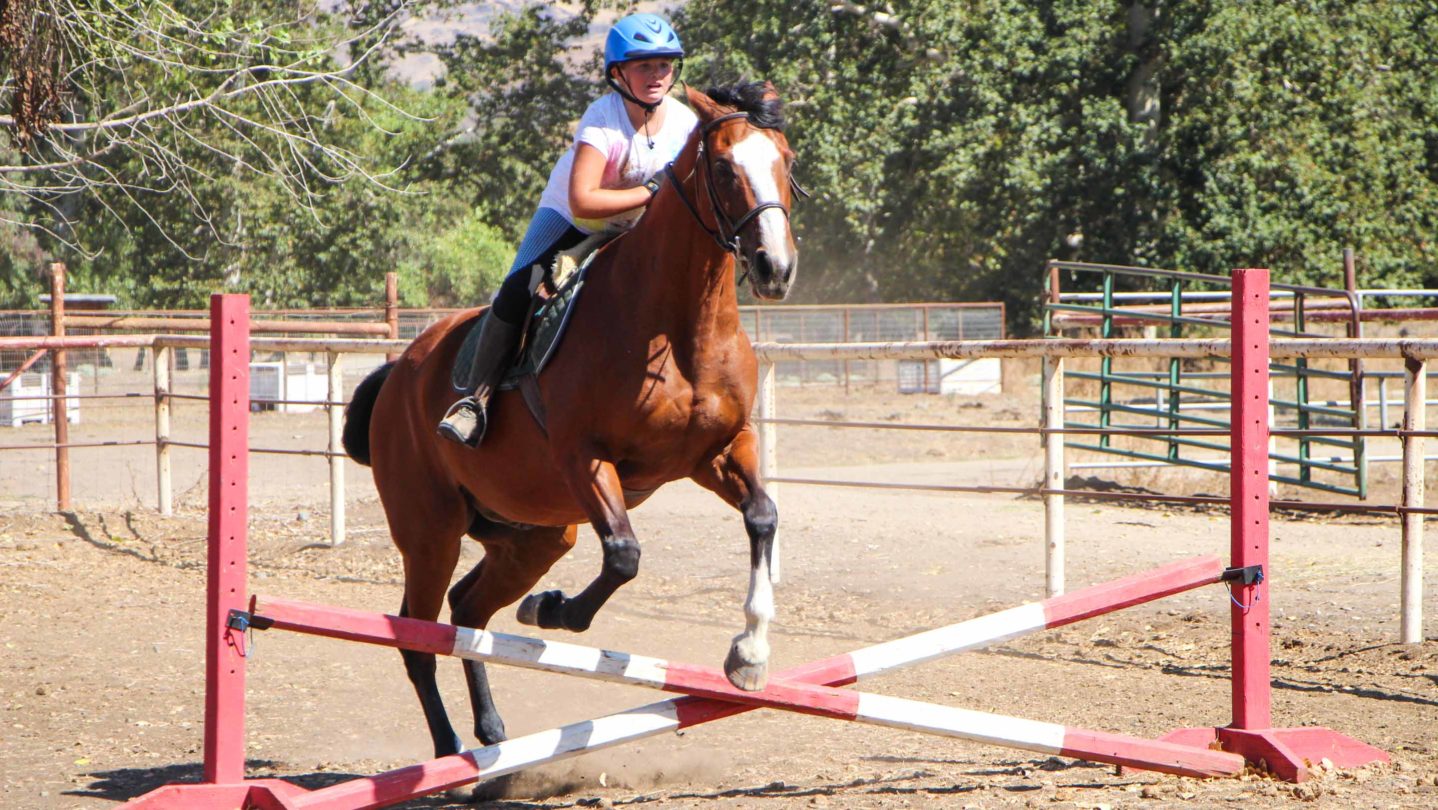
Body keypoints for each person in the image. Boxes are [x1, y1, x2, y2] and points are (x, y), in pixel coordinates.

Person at [438, 12, 699, 447]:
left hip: (637, 228)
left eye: (664, 65)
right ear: (618, 73)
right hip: (572, 220)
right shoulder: (602, 119)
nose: (657, 75)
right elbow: (584, 200)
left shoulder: (686, 123)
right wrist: (651, 192)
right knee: (519, 287)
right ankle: (475, 402)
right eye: (644, 66)